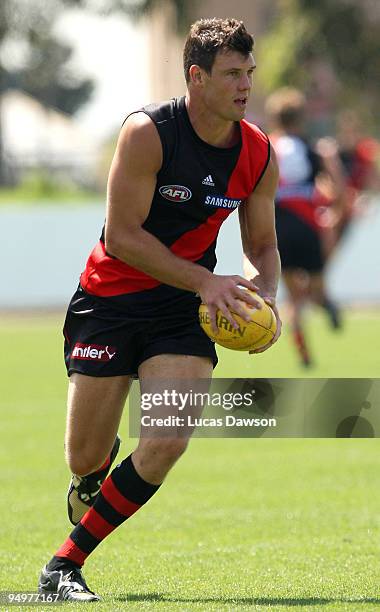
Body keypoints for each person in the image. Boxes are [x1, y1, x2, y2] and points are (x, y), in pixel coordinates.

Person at [38, 18, 281, 602]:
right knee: (85, 453)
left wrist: (264, 296)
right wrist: (206, 280)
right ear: (196, 77)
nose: (245, 85)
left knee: (167, 437)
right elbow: (122, 236)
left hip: (181, 310)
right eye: (231, 74)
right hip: (110, 300)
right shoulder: (148, 133)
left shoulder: (258, 152)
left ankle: (63, 567)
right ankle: (91, 476)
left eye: (249, 73)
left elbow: (263, 245)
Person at [264, 87, 344, 367]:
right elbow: (340, 189)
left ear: (275, 119)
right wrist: (333, 213)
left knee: (294, 297)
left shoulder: (266, 147)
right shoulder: (315, 149)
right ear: (301, 119)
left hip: (278, 230)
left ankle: (303, 354)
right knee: (317, 290)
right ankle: (326, 304)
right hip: (309, 228)